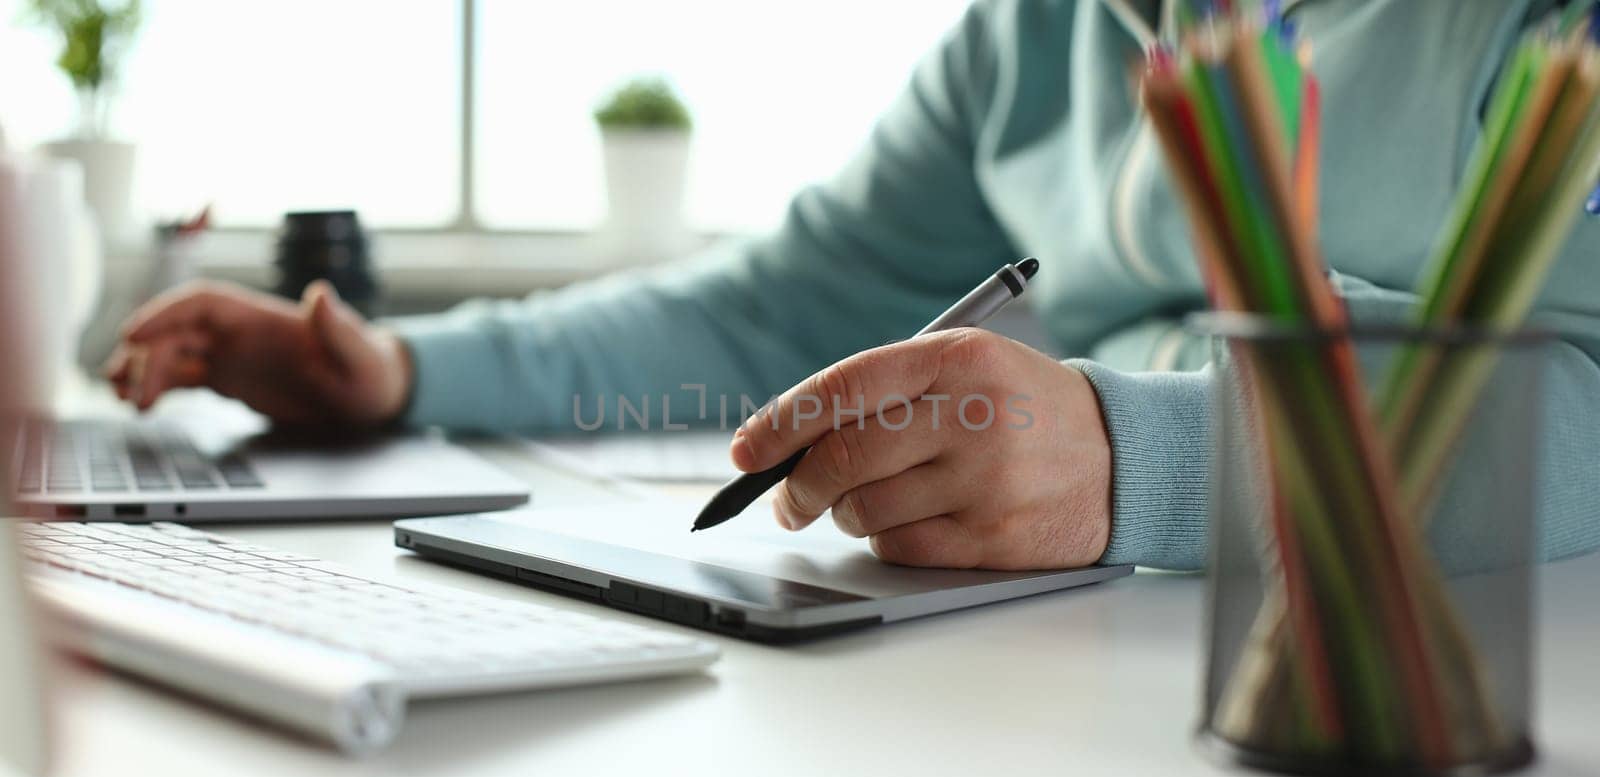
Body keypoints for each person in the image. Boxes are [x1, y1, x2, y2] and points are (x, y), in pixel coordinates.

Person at [108, 0, 1600, 571]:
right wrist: (413, 373)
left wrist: (1130, 461)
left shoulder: (1536, 40)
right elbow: (774, 307)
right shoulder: (1034, 34)